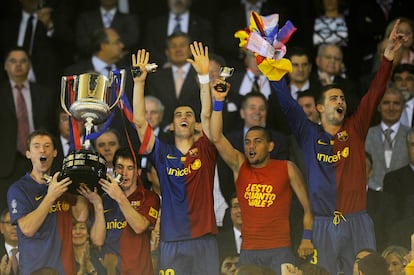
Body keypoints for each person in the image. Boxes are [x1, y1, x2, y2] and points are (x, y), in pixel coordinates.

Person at [260, 18, 406, 275]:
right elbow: (287, 104)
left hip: (357, 220)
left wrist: (388, 59)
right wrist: (275, 77)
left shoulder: (355, 128)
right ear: (319, 107)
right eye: (333, 98)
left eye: (342, 97)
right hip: (323, 224)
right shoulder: (308, 133)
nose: (340, 100)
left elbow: (374, 94)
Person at [133, 42, 220, 274]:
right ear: (171, 125)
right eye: (179, 114)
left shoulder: (206, 148)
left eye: (189, 114)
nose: (184, 117)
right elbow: (140, 123)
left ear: (195, 124)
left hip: (203, 238)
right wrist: (139, 82)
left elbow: (208, 113)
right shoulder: (162, 152)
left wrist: (203, 77)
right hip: (171, 240)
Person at [210, 79, 314, 273]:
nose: (251, 146)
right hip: (249, 250)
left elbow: (308, 208)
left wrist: (307, 237)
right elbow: (216, 137)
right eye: (248, 142)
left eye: (257, 141)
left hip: (280, 250)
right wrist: (218, 101)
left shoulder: (287, 168)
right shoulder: (240, 166)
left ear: (270, 146)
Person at [7, 129, 106, 274]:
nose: (42, 150)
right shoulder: (19, 189)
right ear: (28, 154)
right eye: (36, 146)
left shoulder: (64, 185)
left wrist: (82, 183)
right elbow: (27, 229)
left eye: (47, 146)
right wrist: (50, 196)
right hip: (35, 271)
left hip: (65, 270)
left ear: (55, 152)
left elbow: (81, 216)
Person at [0, 47, 55, 211]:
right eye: (13, 61)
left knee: (39, 210)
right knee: (6, 215)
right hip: (6, 164)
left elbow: (52, 129)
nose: (18, 65)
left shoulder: (45, 93)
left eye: (23, 61)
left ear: (29, 66)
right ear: (5, 66)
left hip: (38, 161)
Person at [98, 147, 160, 274]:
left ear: (138, 171)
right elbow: (97, 241)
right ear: (114, 170)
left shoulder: (149, 197)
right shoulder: (104, 200)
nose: (124, 173)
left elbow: (140, 226)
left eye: (130, 168)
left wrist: (120, 197)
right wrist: (96, 204)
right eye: (120, 167)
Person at [145, 32, 205, 131]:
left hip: (197, 131)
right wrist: (167, 127)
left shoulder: (201, 73)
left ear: (190, 50)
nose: (178, 49)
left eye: (182, 45)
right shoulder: (156, 78)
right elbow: (153, 106)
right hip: (165, 133)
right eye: (173, 46)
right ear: (167, 52)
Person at [143, 0, 214, 66]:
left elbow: (207, 51)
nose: (178, 1)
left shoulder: (203, 25)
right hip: (161, 71)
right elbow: (150, 50)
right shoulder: (155, 24)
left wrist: (188, 67)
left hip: (194, 73)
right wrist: (166, 64)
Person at [382, 128, 414, 249]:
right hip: (403, 245)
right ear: (407, 147)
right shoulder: (393, 179)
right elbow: (391, 221)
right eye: (413, 145)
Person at [75, 0, 139, 59]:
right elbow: (82, 41)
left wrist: (113, 50)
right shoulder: (86, 18)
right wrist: (100, 53)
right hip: (90, 63)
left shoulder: (129, 18)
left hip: (122, 62)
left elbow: (132, 38)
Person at [217, 194, 242, 260]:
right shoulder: (218, 241)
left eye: (244, 206)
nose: (240, 210)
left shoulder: (261, 239)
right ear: (230, 211)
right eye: (235, 206)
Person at [0, 209, 18, 275]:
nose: (15, 227)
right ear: (1, 227)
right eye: (10, 223)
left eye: (17, 223)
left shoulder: (33, 252)